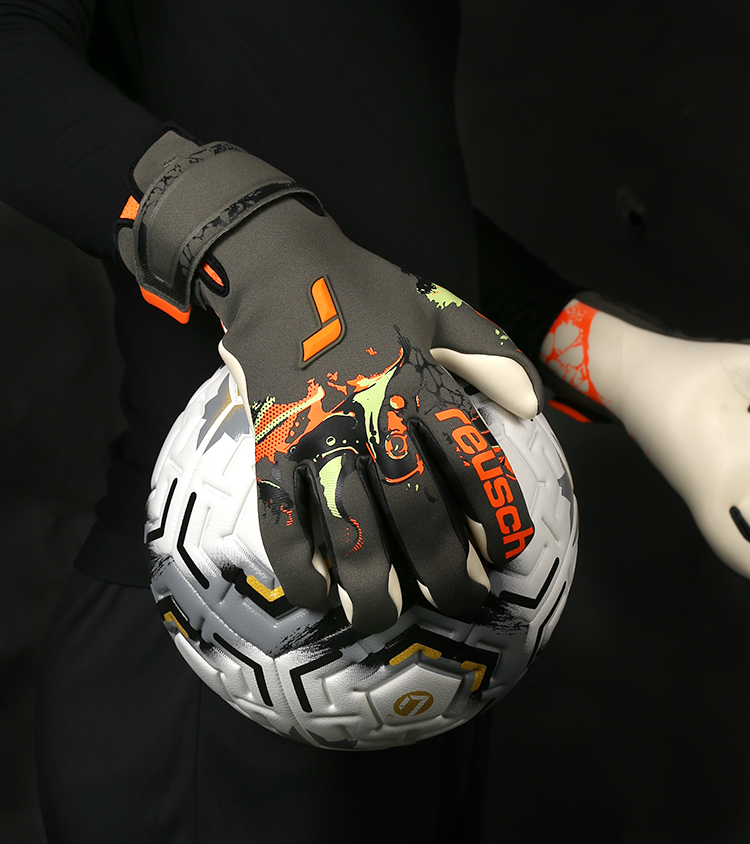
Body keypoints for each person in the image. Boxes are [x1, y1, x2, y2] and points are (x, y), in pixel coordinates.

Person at [1, 2, 748, 842]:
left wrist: (608, 353)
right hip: (235, 655)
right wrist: (245, 238)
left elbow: (363, 202)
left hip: (442, 660)